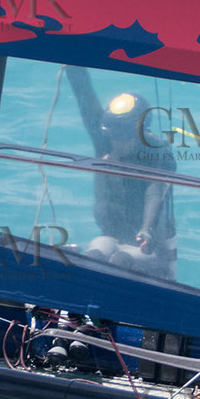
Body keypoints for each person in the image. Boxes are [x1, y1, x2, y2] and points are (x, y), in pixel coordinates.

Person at [68, 69, 177, 279]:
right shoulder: (106, 144)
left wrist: (147, 230)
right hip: (112, 236)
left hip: (148, 246)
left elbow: (154, 192)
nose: (119, 143)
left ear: (141, 133)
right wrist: (74, 71)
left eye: (125, 137)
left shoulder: (157, 153)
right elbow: (86, 102)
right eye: (115, 137)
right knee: (93, 256)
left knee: (120, 261)